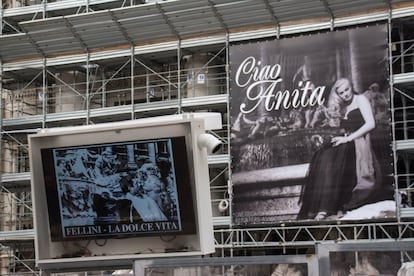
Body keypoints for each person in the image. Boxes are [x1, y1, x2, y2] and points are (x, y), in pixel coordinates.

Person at [297, 78, 391, 220]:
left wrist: (348, 138)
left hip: (359, 141)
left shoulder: (361, 100)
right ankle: (321, 207)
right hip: (346, 140)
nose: (345, 94)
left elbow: (371, 124)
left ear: (351, 87)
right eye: (341, 93)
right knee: (323, 155)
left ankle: (326, 208)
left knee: (335, 155)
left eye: (347, 90)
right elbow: (338, 127)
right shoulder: (341, 106)